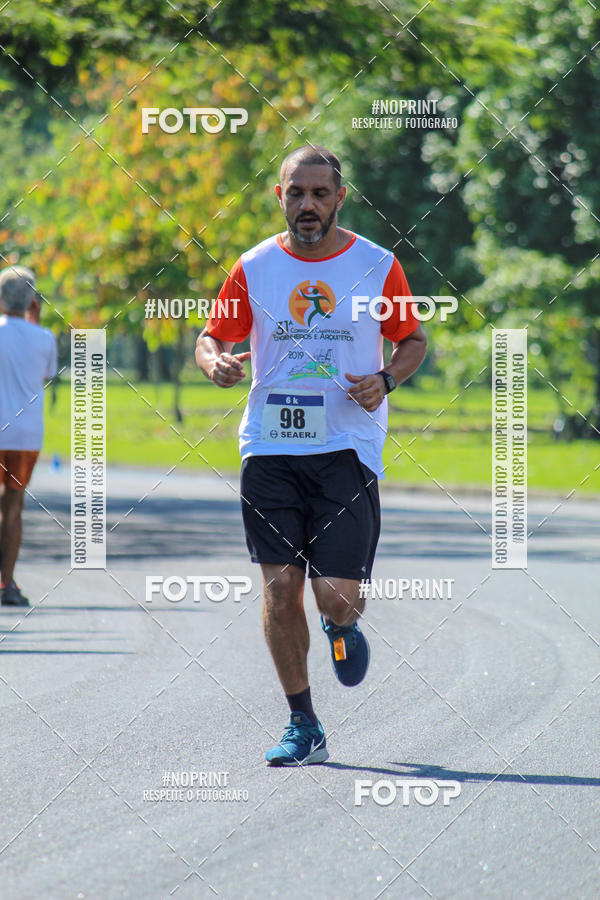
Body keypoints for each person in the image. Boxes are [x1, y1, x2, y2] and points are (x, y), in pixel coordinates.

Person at [195, 146, 427, 765]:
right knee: (279, 590)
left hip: (346, 446)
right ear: (280, 196)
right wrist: (214, 359)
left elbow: (411, 339)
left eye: (319, 194)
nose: (307, 205)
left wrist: (386, 379)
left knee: (336, 596)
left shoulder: (377, 265)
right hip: (269, 446)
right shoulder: (255, 265)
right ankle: (303, 723)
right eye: (296, 193)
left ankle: (341, 627)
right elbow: (213, 334)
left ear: (339, 198)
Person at [0, 265, 58, 607]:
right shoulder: (45, 337)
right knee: (13, 507)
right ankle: (6, 583)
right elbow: (47, 372)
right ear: (33, 301)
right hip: (25, 435)